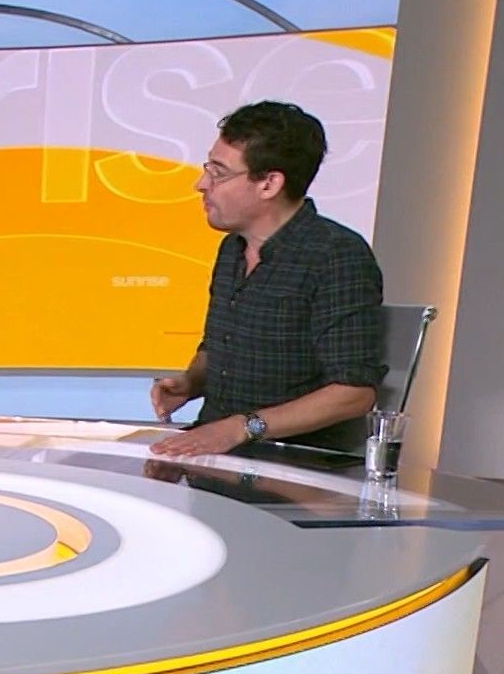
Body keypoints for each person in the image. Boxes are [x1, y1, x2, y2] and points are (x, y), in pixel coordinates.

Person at [149, 101, 385, 457]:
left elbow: (354, 393)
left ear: (269, 184)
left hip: (289, 460)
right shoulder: (232, 249)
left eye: (218, 173)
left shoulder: (335, 255)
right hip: (213, 451)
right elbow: (220, 345)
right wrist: (192, 382)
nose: (201, 184)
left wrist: (242, 428)